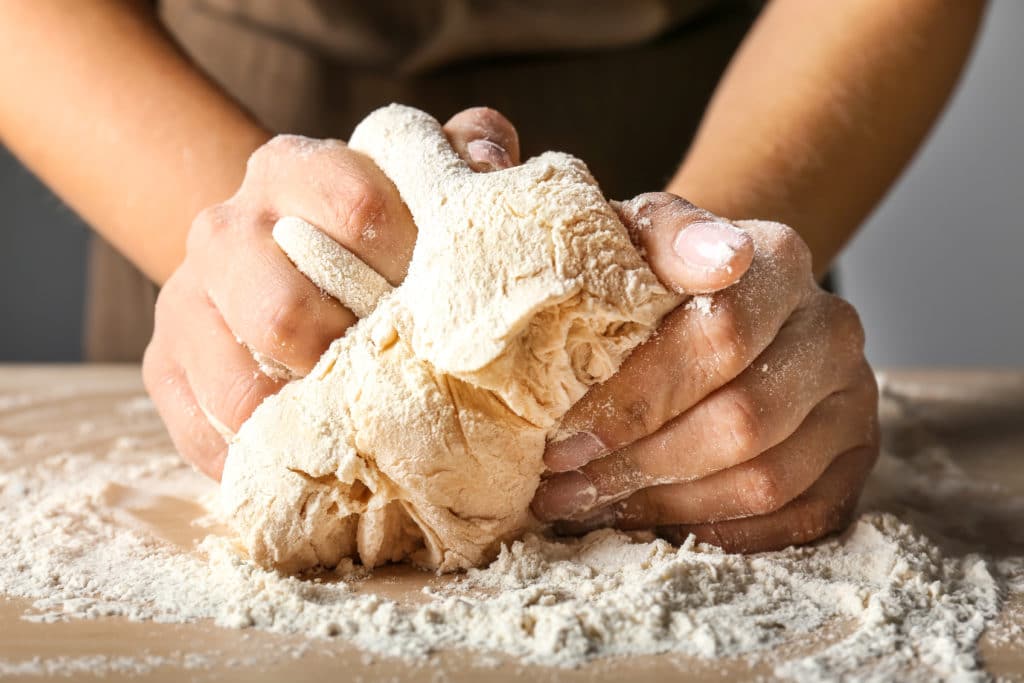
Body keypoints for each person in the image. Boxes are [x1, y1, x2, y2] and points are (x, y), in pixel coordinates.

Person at [0, 1, 986, 552]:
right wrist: (257, 248)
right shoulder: (242, 246)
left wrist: (698, 290)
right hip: (209, 138)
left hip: (730, 124)